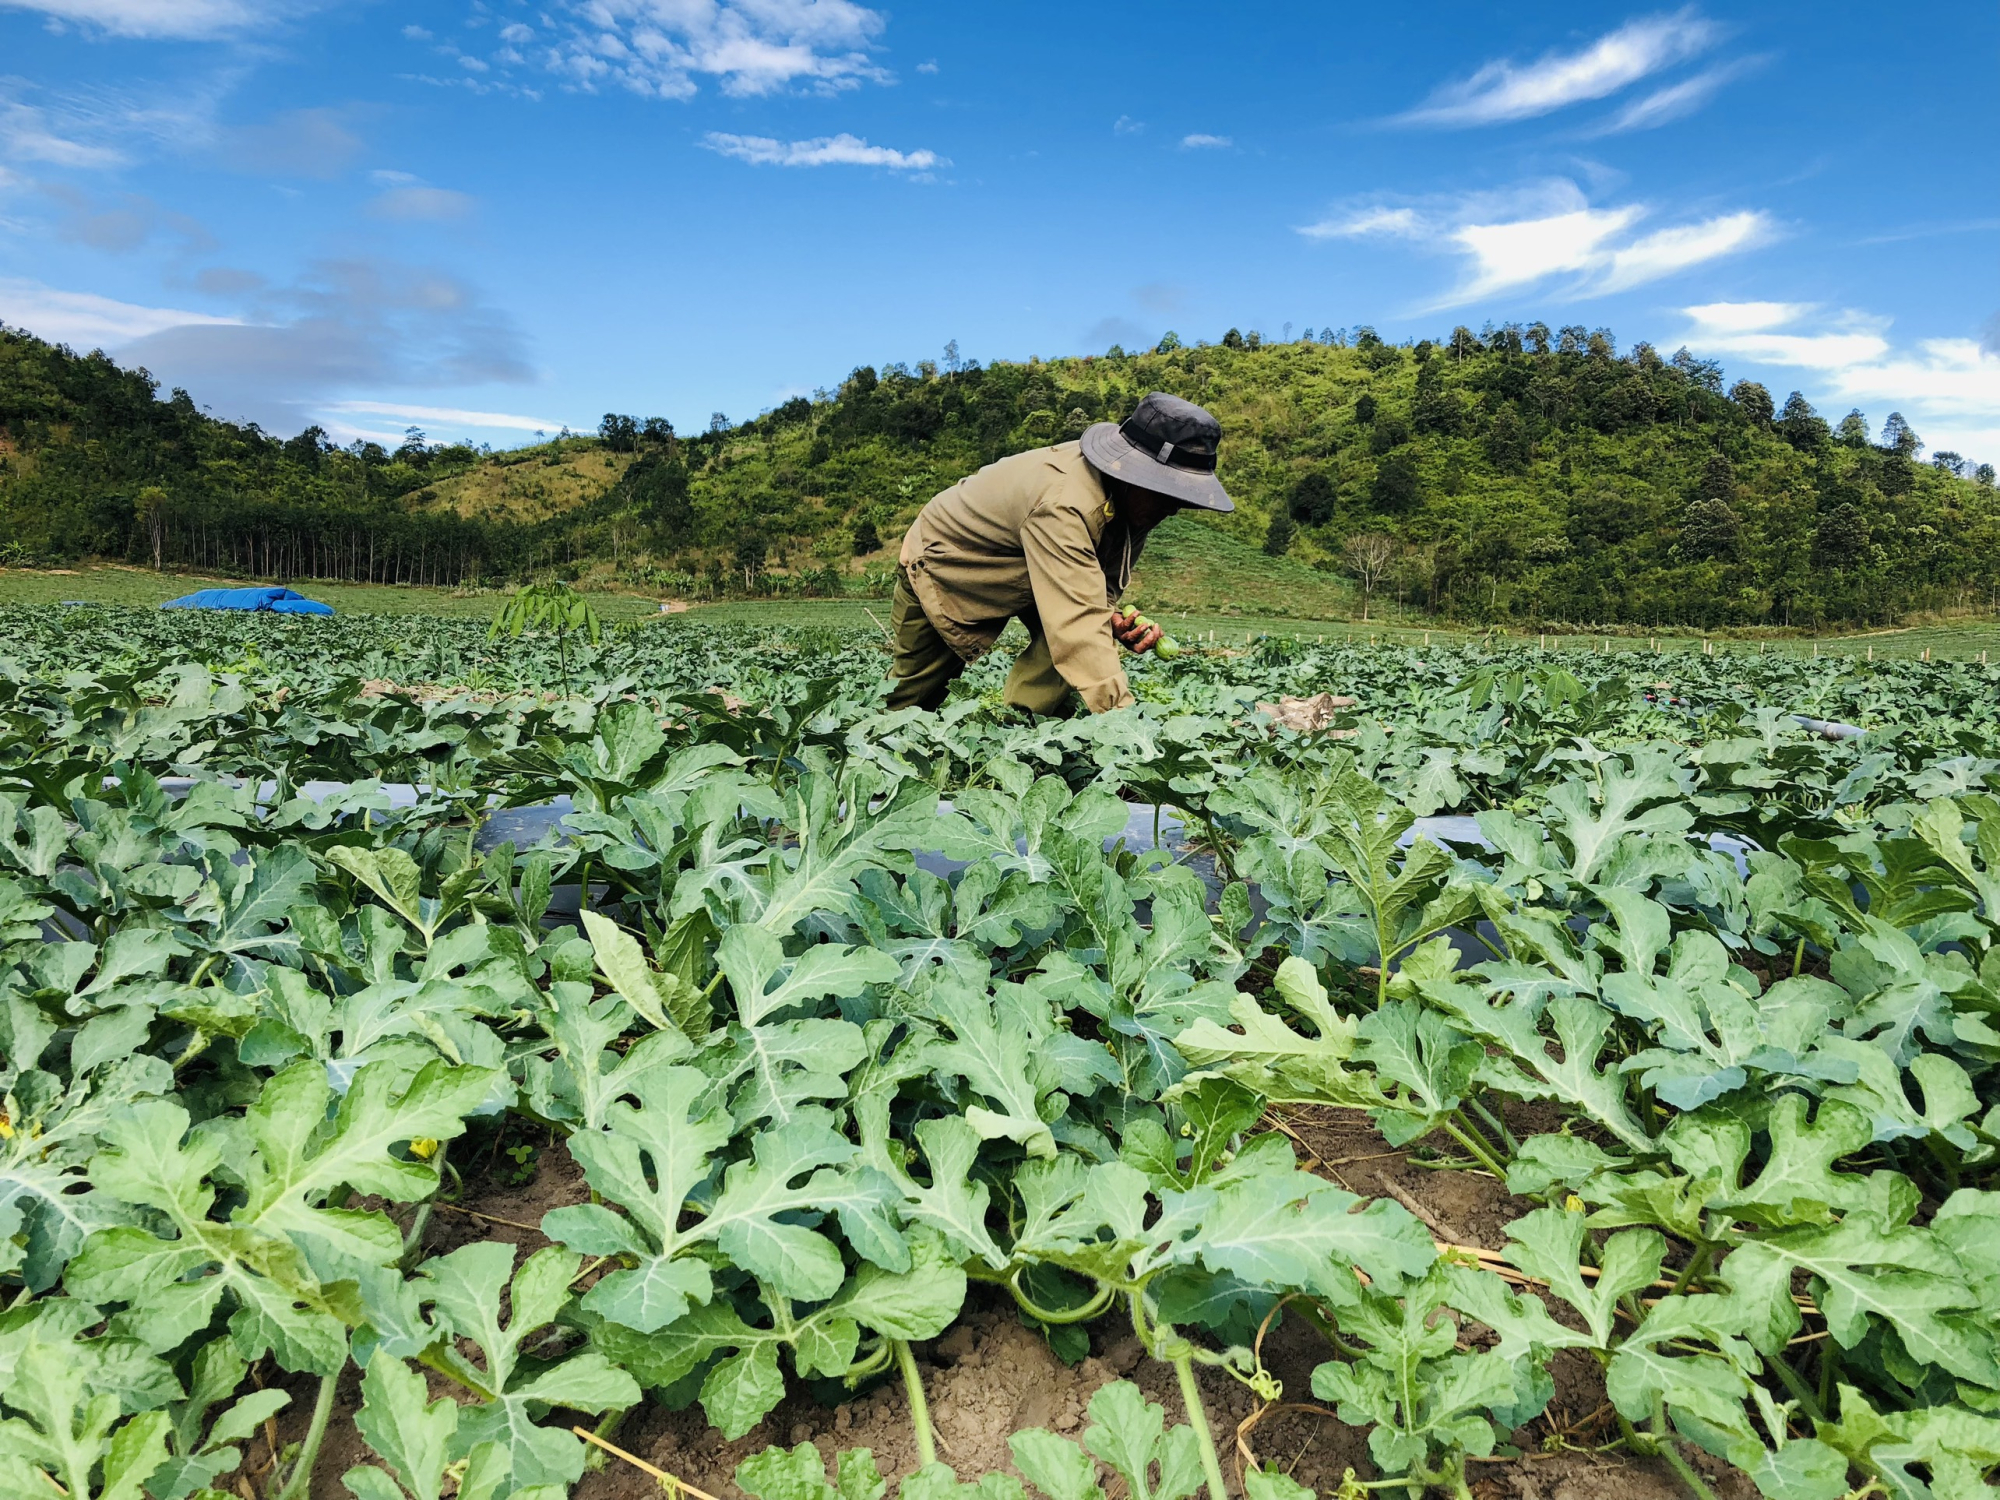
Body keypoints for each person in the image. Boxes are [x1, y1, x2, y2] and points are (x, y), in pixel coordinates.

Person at [886, 392, 1233, 715]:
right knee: (911, 700)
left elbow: (1097, 594)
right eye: (1166, 493)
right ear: (1135, 474)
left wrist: (1108, 617)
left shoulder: (1133, 506)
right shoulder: (1065, 503)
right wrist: (1125, 727)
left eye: (1180, 496)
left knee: (1074, 643)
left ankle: (1023, 735)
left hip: (1029, 563)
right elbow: (1079, 621)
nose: (1173, 508)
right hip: (949, 562)